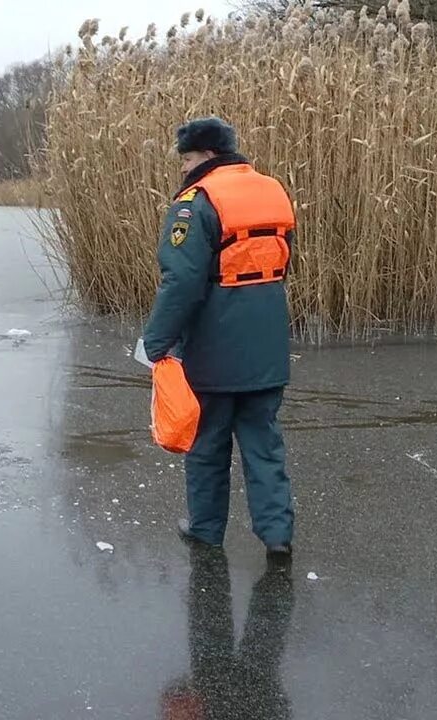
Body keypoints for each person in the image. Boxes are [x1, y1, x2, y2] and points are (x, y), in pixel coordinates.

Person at [142, 116, 297, 560]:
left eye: (187, 158)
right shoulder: (273, 191)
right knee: (264, 446)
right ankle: (277, 535)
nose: (184, 168)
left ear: (208, 155)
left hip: (214, 349)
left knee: (207, 445)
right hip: (268, 345)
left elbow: (182, 281)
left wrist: (156, 342)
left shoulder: (195, 203)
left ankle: (206, 530)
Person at [160, 547, 294, 720]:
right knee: (219, 634)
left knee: (256, 643)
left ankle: (276, 575)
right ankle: (276, 564)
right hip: (235, 697)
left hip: (242, 699)